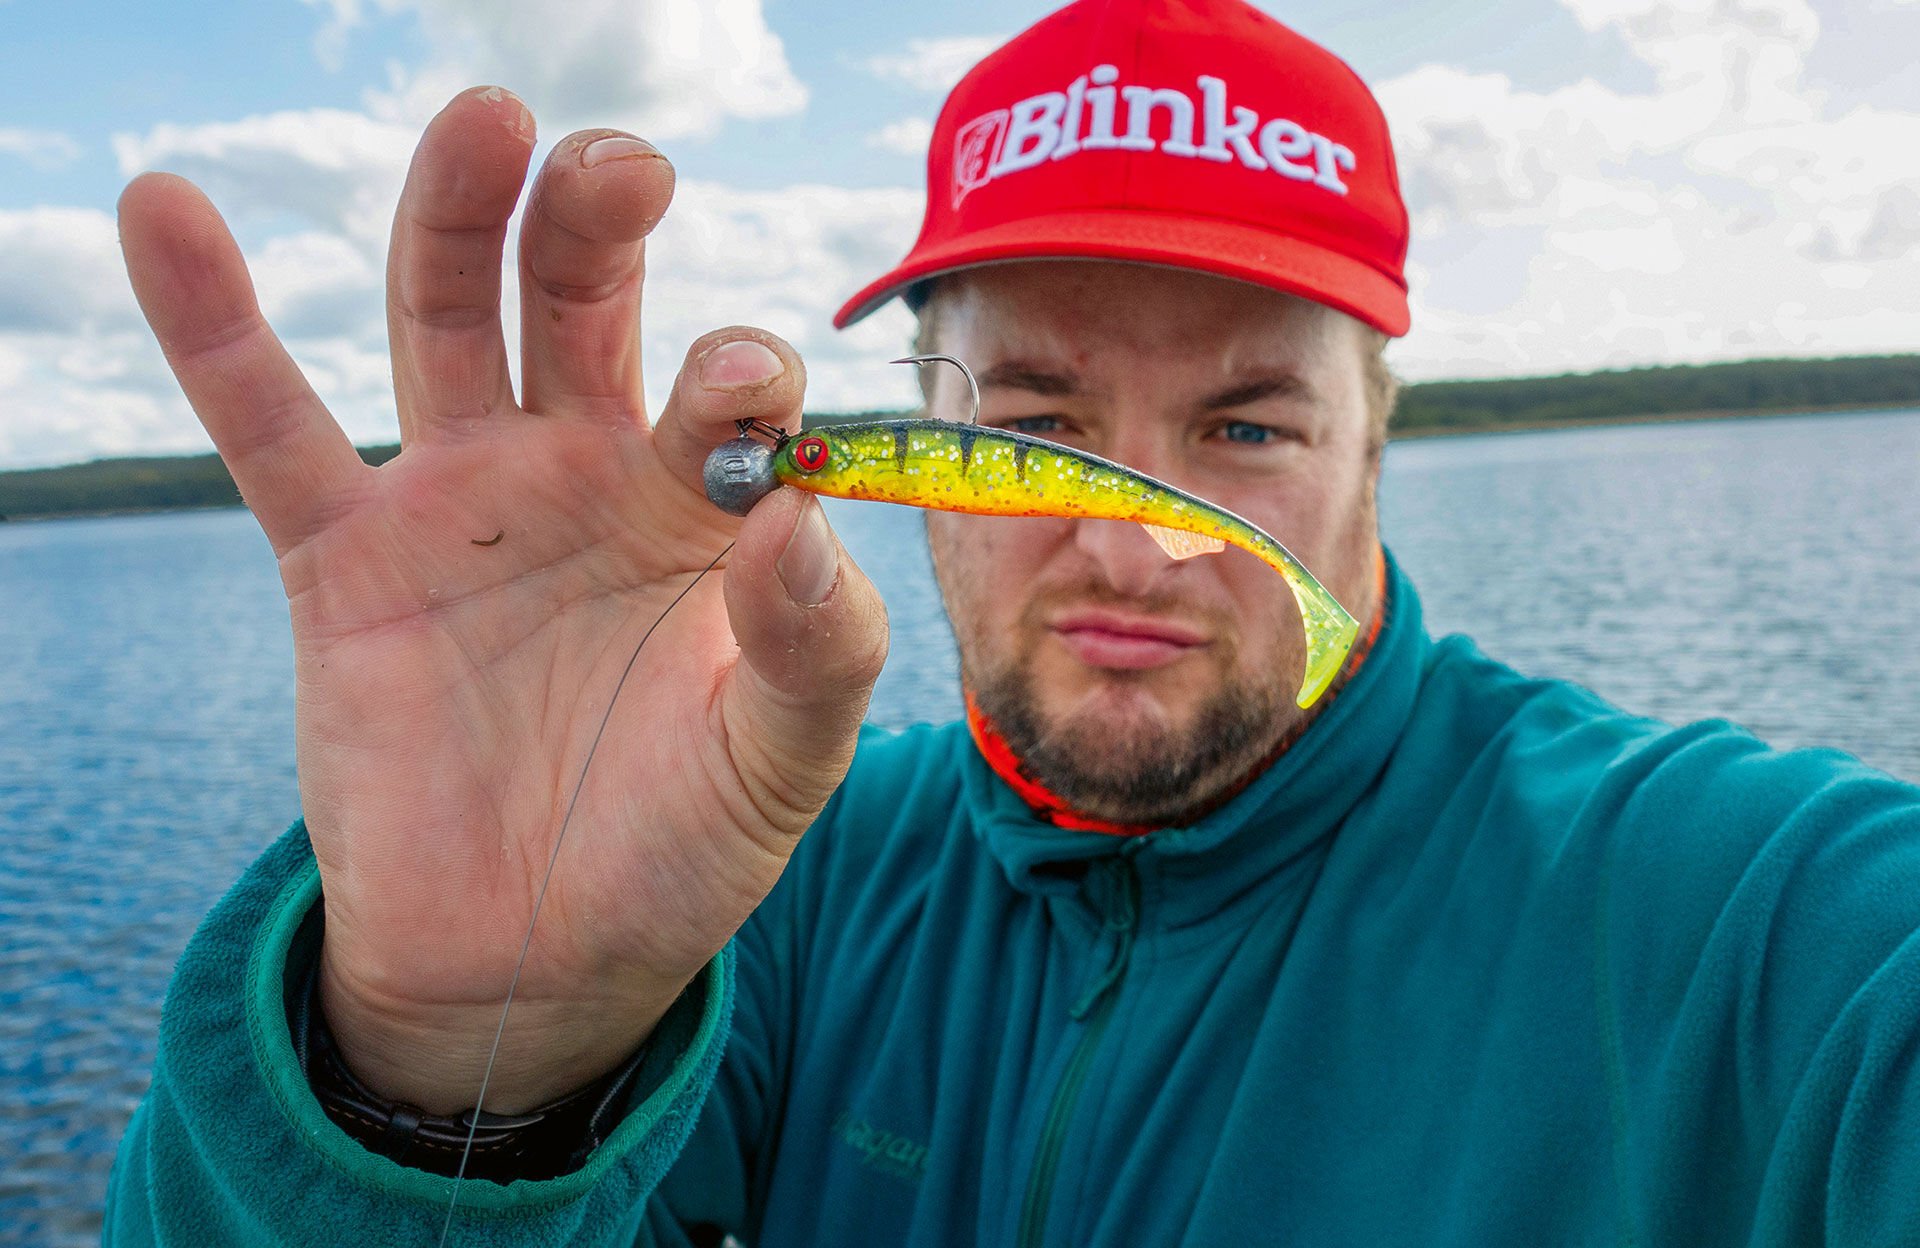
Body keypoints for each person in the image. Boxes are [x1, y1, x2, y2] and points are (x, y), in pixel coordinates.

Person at [107, 0, 1920, 1244]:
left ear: (1380, 433)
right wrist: (418, 1078)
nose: (1139, 551)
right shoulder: (764, 887)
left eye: (1249, 428)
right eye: (1037, 433)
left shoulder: (1727, 916)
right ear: (914, 431)